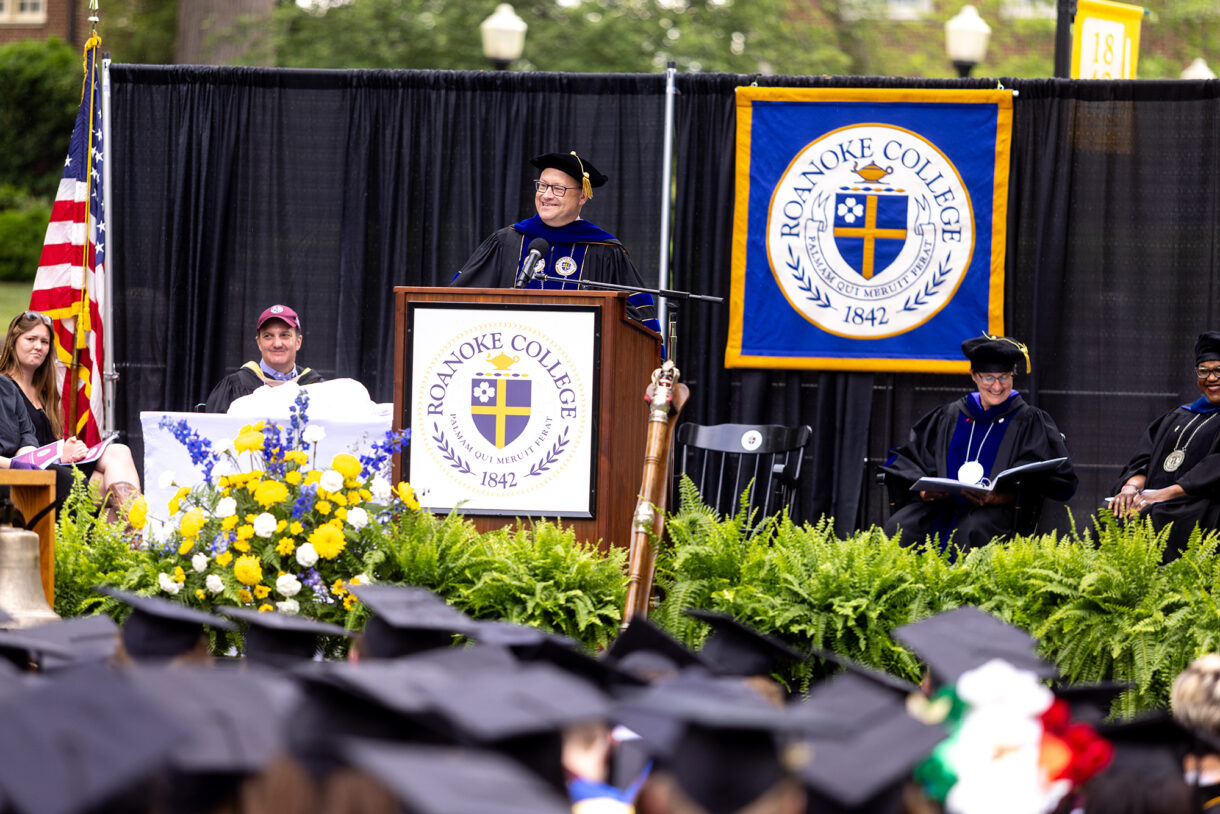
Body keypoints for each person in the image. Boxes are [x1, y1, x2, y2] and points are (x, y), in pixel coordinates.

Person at [881, 334, 1077, 552]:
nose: (997, 387)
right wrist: (924, 491)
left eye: (1004, 377)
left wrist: (1000, 497)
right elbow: (909, 459)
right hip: (942, 507)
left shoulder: (1029, 421)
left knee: (973, 529)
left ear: (1013, 375)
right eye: (988, 378)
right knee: (900, 527)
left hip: (996, 512)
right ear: (974, 376)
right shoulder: (949, 416)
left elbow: (1054, 479)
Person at [450, 150, 659, 331]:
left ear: (582, 197)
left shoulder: (604, 250)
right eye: (542, 186)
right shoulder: (506, 242)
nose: (546, 195)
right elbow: (460, 299)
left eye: (558, 189)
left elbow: (638, 318)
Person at [0, 310, 143, 517]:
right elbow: (15, 448)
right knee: (103, 486)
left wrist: (72, 450)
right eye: (31, 339)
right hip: (34, 470)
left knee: (119, 451)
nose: (38, 346)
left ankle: (131, 532)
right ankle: (132, 535)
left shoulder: (47, 394)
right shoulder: (5, 389)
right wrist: (59, 453)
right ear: (13, 342)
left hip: (56, 465)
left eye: (45, 342)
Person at [1112, 332, 1220, 560]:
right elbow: (1144, 459)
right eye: (1204, 371)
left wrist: (1162, 496)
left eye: (1218, 370)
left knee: (1160, 517)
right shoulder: (1178, 416)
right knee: (1114, 513)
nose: (1211, 378)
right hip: (1156, 501)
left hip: (1203, 507)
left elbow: (1214, 470)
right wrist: (1130, 489)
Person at [204, 304, 324, 413]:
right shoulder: (235, 386)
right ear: (259, 343)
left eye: (285, 335)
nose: (277, 344)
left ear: (298, 342)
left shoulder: (314, 386)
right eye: (268, 336)